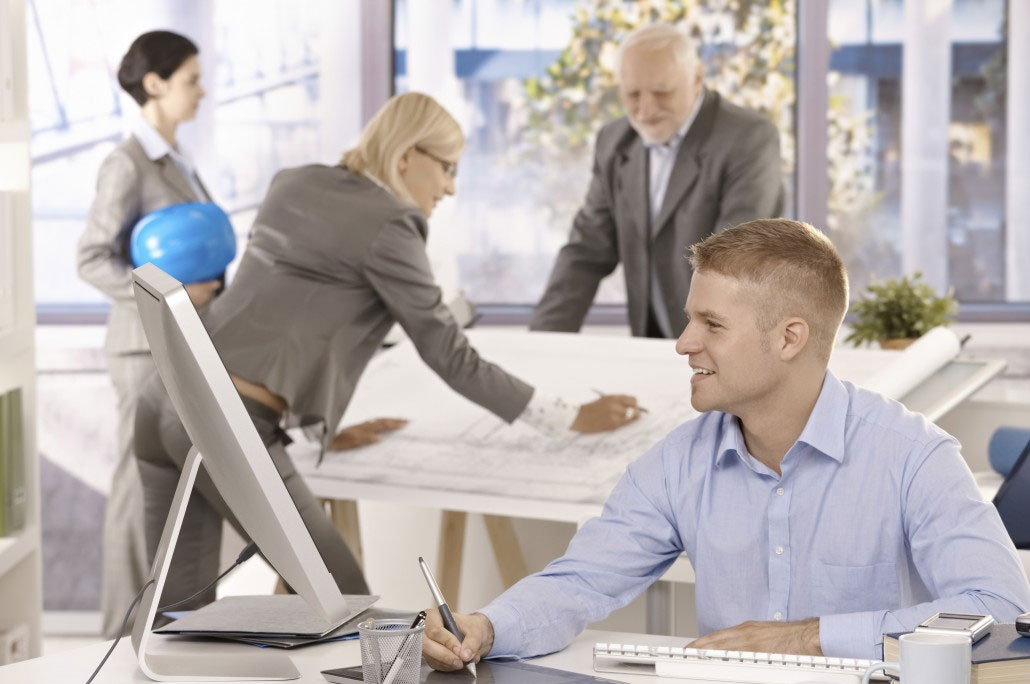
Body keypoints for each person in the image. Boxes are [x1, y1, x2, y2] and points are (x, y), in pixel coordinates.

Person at [423, 218, 1030, 667]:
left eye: (711, 324)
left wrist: (807, 636)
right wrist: (488, 626)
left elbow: (998, 607)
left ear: (790, 338)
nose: (685, 343)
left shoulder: (911, 455)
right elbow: (581, 583)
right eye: (692, 320)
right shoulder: (677, 463)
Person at [134, 91, 640, 609]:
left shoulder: (296, 181)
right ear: (406, 157)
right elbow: (450, 355)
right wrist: (571, 416)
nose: (450, 186)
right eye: (447, 167)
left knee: (173, 619)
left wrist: (317, 423)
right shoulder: (390, 226)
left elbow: (289, 311)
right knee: (341, 603)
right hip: (223, 423)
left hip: (163, 399)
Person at [76, 30, 220, 638]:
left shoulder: (175, 160)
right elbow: (91, 258)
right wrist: (169, 296)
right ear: (155, 84)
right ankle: (116, 638)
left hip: (184, 348)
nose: (202, 91)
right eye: (191, 80)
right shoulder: (127, 162)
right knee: (138, 494)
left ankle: (169, 635)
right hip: (144, 348)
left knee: (180, 494)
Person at [530, 22, 783, 339]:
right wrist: (542, 343)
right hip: (652, 342)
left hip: (728, 345)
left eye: (662, 93)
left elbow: (735, 265)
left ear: (697, 78)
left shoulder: (748, 139)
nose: (646, 109)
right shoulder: (614, 141)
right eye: (632, 94)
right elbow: (585, 253)